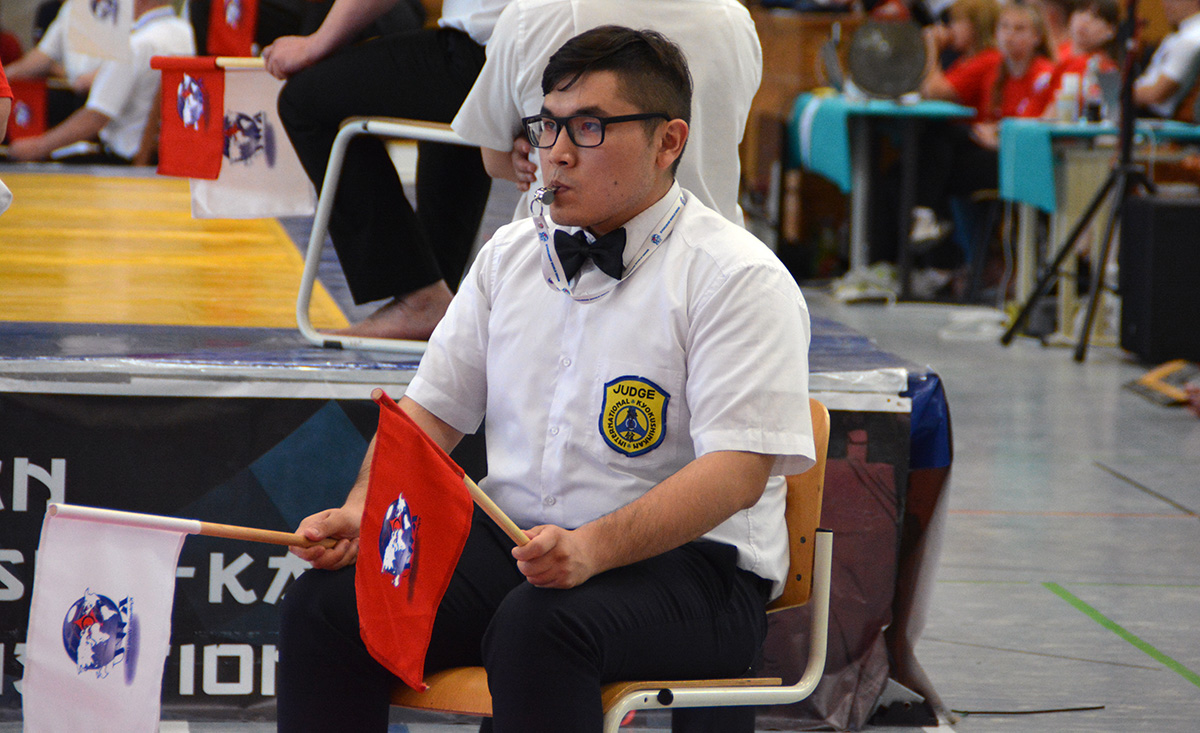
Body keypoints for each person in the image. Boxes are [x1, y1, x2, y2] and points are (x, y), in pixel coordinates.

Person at [276, 26, 815, 733]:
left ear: (668, 142)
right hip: (525, 550)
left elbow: (736, 474)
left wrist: (592, 548)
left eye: (589, 127)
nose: (555, 152)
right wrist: (363, 509)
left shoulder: (736, 277)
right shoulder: (510, 254)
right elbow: (426, 416)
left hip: (698, 570)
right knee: (324, 607)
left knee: (540, 627)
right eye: (548, 124)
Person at [262, 0, 511, 341]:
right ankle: (437, 297)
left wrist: (316, 43)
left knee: (304, 100)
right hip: (534, 52)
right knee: (448, 108)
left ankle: (420, 296)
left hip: (489, 52)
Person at [452, 0, 761, 226]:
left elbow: (495, 158)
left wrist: (531, 147)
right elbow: (722, 138)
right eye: (548, 126)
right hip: (709, 252)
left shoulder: (533, 15)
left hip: (559, 258)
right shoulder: (736, 21)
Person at [5, 0, 194, 162]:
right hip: (169, 159)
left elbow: (95, 117)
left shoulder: (135, 45)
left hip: (121, 161)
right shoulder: (187, 34)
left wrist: (36, 147)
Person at [3, 0, 103, 126]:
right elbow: (43, 55)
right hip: (75, 98)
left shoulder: (120, 9)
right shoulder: (71, 7)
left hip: (102, 100)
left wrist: (100, 78)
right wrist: (5, 75)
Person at [1134, 0, 1200, 118]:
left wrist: (1122, 93)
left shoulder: (1191, 38)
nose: (1165, 3)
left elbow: (1155, 95)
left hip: (1155, 119)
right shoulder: (1183, 33)